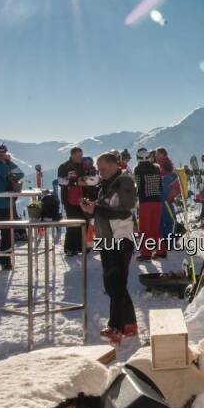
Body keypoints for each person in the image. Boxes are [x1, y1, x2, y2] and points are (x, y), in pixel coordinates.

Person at [81, 151, 138, 343]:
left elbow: (125, 211)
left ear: (114, 165)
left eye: (103, 168)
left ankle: (116, 326)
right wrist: (92, 207)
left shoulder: (124, 182)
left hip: (120, 238)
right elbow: (106, 209)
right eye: (99, 169)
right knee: (116, 283)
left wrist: (95, 208)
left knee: (114, 283)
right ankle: (129, 323)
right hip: (107, 239)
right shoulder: (106, 184)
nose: (101, 172)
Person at [133, 148, 166, 260]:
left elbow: (137, 185)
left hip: (145, 202)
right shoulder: (156, 168)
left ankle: (146, 253)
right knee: (155, 227)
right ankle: (161, 251)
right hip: (157, 201)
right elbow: (160, 186)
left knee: (145, 229)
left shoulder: (137, 169)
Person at [58, 147, 88, 256]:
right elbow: (60, 181)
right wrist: (74, 182)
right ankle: (69, 248)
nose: (81, 157)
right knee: (73, 223)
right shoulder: (64, 166)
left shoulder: (83, 166)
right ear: (73, 155)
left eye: (81, 155)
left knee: (84, 222)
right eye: (79, 155)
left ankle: (81, 246)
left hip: (83, 198)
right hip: (69, 199)